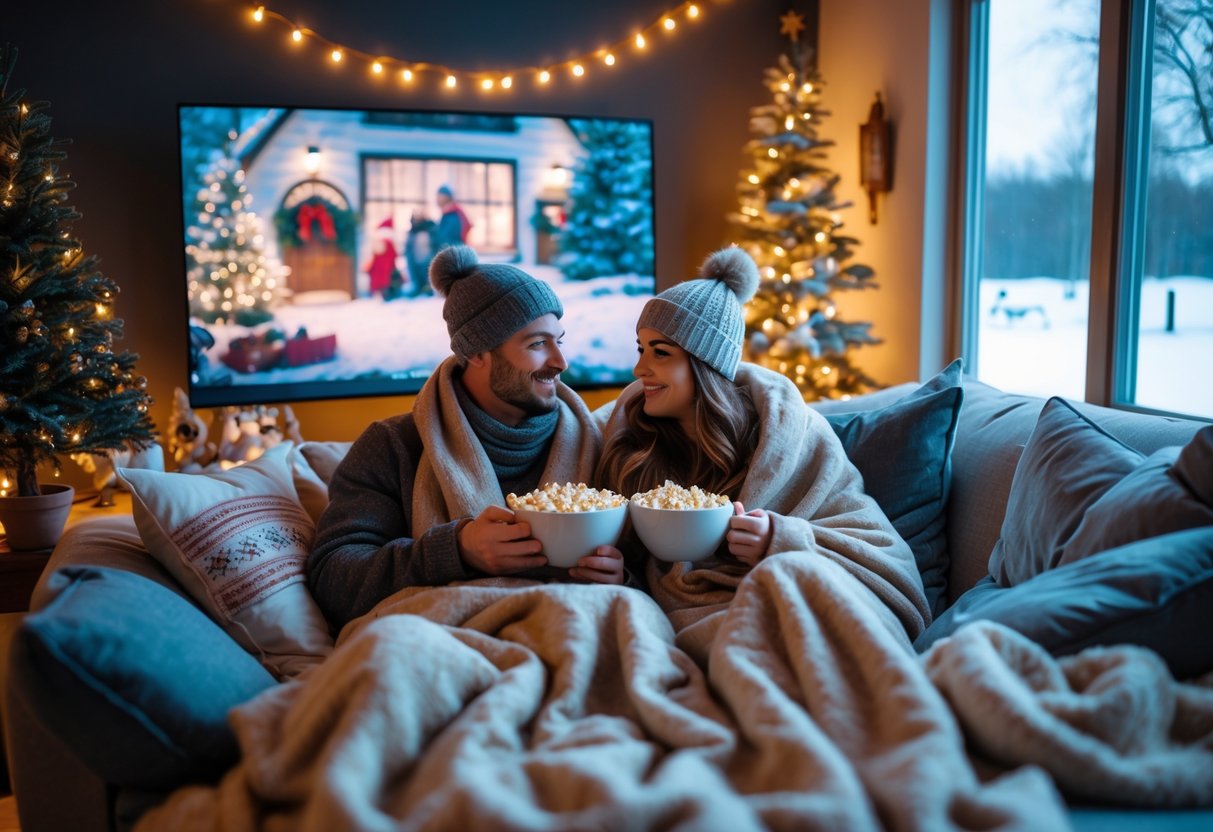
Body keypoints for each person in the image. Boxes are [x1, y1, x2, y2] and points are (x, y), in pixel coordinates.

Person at [595, 247, 931, 641]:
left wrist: (779, 540)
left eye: (661, 353)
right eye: (641, 349)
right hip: (690, 627)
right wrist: (621, 575)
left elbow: (879, 551)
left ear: (705, 364)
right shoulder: (633, 442)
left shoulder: (794, 437)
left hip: (777, 610)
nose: (639, 369)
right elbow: (637, 563)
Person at [308, 244, 620, 631]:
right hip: (444, 642)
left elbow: (647, 575)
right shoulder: (393, 446)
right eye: (537, 344)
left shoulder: (598, 442)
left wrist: (617, 576)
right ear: (476, 353)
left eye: (559, 339)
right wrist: (456, 550)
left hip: (573, 630)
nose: (560, 361)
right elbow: (333, 579)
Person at [403, 209, 438, 297]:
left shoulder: (431, 228)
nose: (418, 218)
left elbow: (436, 244)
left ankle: (427, 290)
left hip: (429, 261)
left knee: (428, 277)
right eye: (416, 216)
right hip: (415, 262)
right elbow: (408, 249)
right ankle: (419, 289)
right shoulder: (412, 232)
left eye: (420, 215)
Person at [434, 184, 472, 248]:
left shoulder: (452, 216)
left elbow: (445, 239)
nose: (437, 199)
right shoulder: (448, 214)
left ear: (446, 197)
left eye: (439, 196)